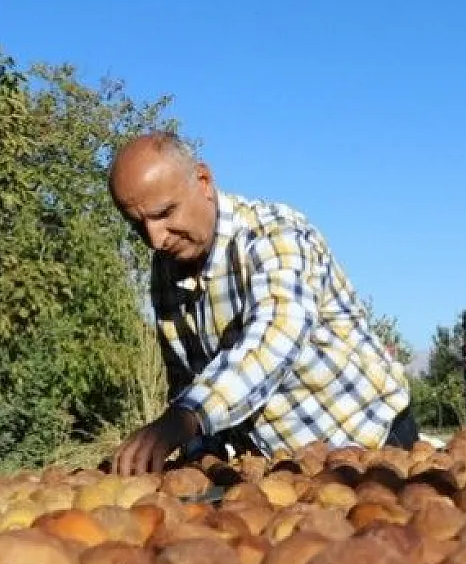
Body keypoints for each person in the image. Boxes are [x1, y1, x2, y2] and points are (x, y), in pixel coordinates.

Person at [107, 131, 417, 476]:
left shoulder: (275, 234)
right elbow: (186, 376)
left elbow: (274, 338)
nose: (155, 239)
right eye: (138, 226)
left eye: (165, 213)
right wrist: (196, 455)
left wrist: (186, 416)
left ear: (204, 181)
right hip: (280, 467)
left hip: (371, 442)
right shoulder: (166, 271)